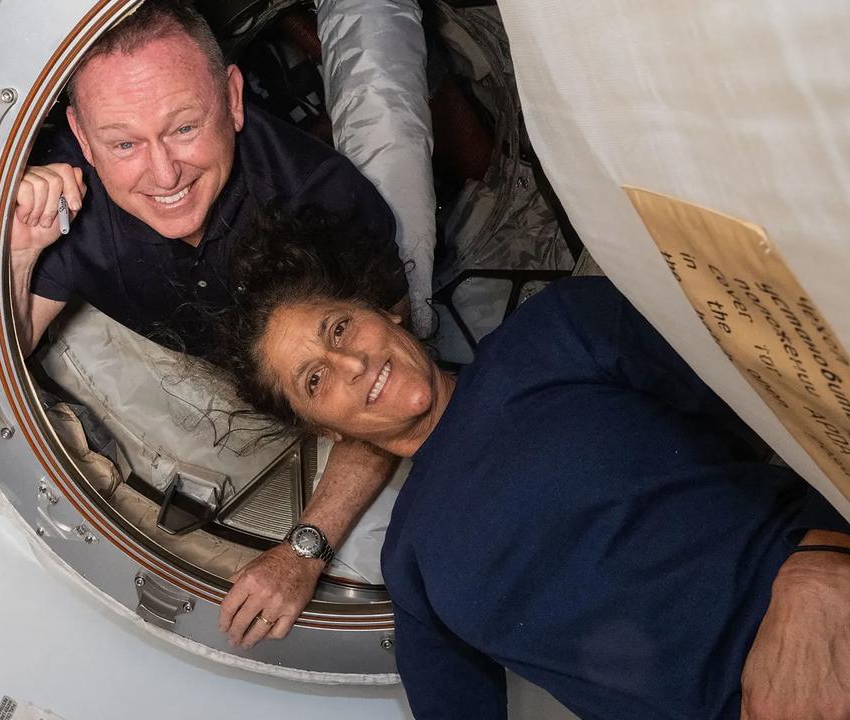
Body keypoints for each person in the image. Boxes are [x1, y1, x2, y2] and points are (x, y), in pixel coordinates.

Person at [211, 210, 850, 718]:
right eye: (317, 379)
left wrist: (818, 570)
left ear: (384, 310)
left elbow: (799, 395)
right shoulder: (409, 562)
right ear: (322, 427)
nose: (353, 367)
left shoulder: (554, 334)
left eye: (340, 329)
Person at [8, 1, 410, 644]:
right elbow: (7, 350)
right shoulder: (69, 194)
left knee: (391, 125)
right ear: (83, 139)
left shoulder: (322, 203)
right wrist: (24, 248)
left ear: (232, 98)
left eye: (185, 128)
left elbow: (390, 390)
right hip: (209, 363)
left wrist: (303, 549)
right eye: (123, 143)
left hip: (317, 367)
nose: (163, 174)